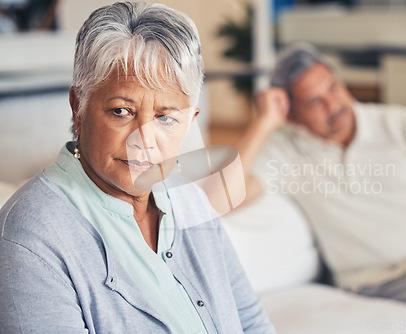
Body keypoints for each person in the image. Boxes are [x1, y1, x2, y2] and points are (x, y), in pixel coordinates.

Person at [0, 2, 275, 333]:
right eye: (121, 111)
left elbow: (252, 322)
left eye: (165, 117)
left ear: (190, 122)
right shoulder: (32, 238)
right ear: (78, 107)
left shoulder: (189, 202)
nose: (144, 140)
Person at [236, 44, 406, 333]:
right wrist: (263, 122)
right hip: (382, 280)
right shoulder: (283, 153)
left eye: (333, 87)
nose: (333, 104)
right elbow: (218, 197)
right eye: (314, 101)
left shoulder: (400, 123)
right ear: (291, 113)